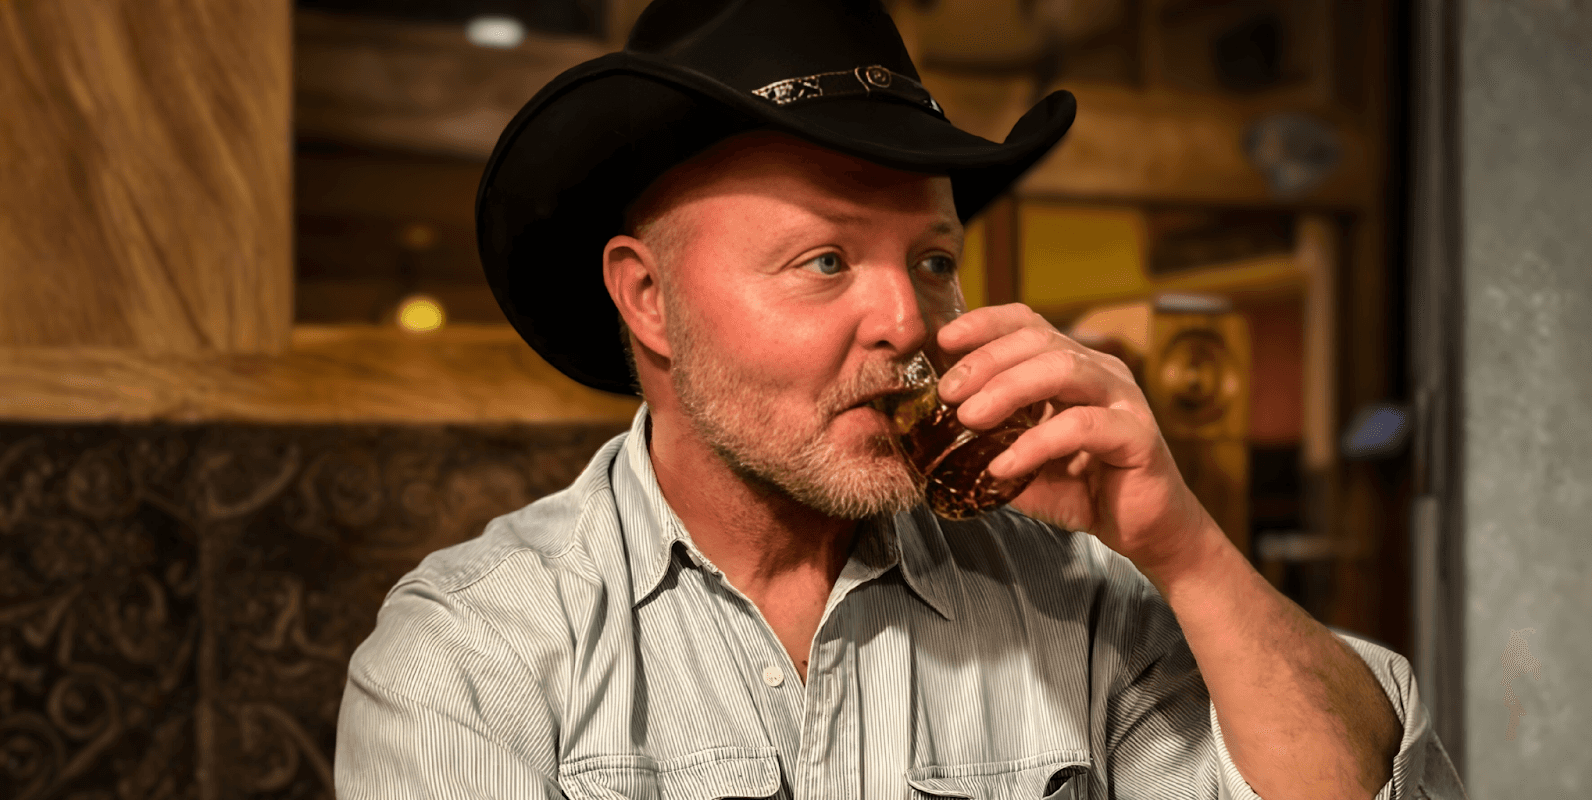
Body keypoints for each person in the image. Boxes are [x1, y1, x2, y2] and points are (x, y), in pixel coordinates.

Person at [335, 1, 1468, 798]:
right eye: (825, 259)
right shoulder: (471, 655)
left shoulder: (1075, 601)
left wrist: (1184, 548)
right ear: (649, 299)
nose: (908, 321)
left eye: (932, 260)